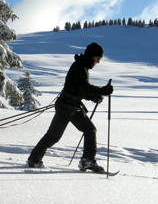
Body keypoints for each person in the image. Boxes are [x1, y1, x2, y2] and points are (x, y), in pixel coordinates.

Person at [27, 42, 113, 172]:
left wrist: (94, 97)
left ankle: (87, 161)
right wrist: (101, 91)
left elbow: (80, 90)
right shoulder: (79, 67)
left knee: (90, 130)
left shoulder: (83, 66)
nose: (98, 62)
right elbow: (83, 87)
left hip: (73, 106)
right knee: (53, 136)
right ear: (91, 56)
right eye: (97, 58)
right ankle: (34, 159)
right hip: (66, 106)